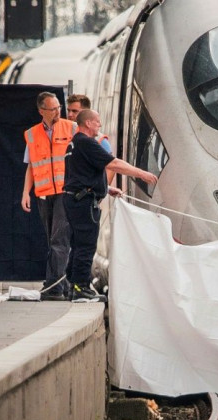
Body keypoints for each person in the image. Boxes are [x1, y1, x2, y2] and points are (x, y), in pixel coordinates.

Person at [63, 109, 157, 302]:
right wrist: (141, 174)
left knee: (78, 243)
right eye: (97, 121)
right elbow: (113, 163)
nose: (99, 125)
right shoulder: (87, 143)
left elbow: (81, 174)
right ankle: (81, 288)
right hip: (83, 202)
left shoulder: (74, 144)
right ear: (88, 123)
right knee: (86, 245)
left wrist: (106, 189)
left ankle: (73, 286)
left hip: (75, 198)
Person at [21, 92, 78, 301]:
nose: (57, 112)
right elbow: (31, 167)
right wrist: (25, 193)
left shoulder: (71, 128)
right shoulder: (32, 134)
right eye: (52, 109)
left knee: (59, 240)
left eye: (58, 108)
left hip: (65, 192)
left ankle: (53, 288)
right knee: (52, 240)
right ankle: (62, 286)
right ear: (41, 111)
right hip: (44, 195)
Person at [66, 94, 114, 184]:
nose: (70, 114)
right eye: (68, 110)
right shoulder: (62, 136)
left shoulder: (99, 140)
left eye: (74, 111)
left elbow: (111, 167)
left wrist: (99, 192)